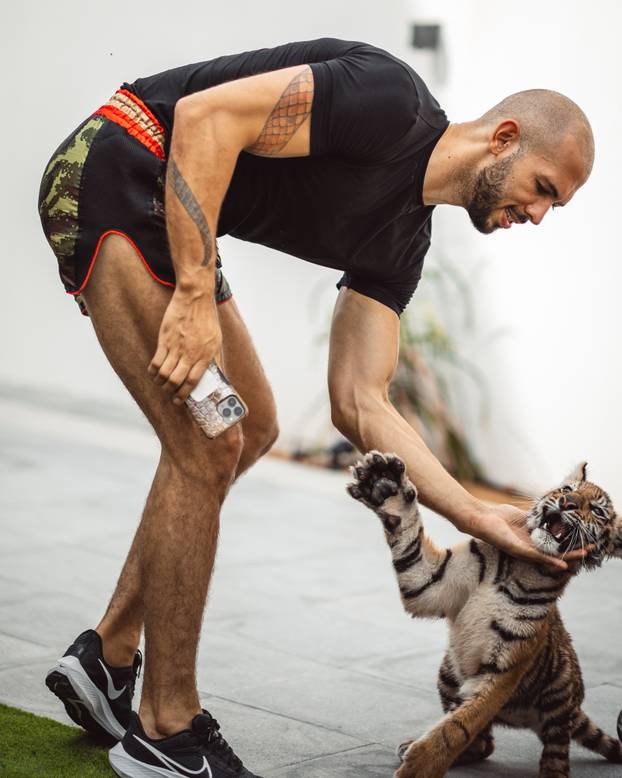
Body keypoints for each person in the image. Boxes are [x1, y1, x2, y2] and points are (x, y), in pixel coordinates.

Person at [38, 37, 594, 778]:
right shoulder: (391, 105)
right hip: (122, 159)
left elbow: (359, 400)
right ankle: (165, 731)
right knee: (205, 443)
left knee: (254, 422)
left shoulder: (400, 243)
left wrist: (474, 514)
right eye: (546, 187)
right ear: (504, 138)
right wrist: (196, 293)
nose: (540, 213)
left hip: (165, 212)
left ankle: (108, 657)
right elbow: (203, 120)